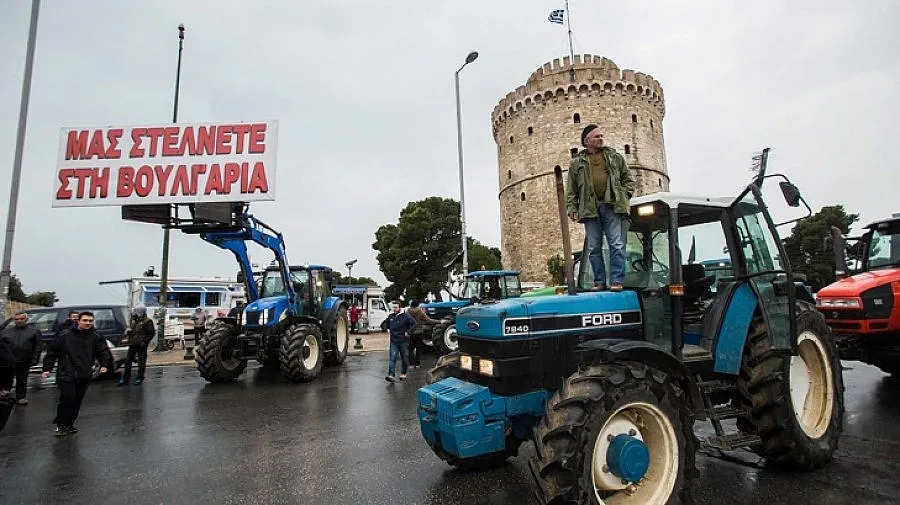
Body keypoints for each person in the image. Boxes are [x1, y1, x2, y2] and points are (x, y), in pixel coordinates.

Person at [566, 124, 635, 292]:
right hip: (590, 209)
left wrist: (623, 196)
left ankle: (616, 281)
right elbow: (571, 189)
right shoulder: (577, 163)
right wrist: (572, 208)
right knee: (593, 248)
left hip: (612, 206)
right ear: (586, 140)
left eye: (601, 136)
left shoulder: (615, 157)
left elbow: (628, 180)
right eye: (596, 136)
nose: (600, 138)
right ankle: (599, 282)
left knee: (616, 244)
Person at [42, 311, 112, 436]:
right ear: (78, 321)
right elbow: (52, 351)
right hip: (66, 372)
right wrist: (47, 368)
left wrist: (104, 365)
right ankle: (61, 424)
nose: (88, 323)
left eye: (90, 321)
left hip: (84, 373)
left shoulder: (96, 337)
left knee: (77, 400)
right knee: (67, 398)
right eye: (85, 320)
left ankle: (70, 424)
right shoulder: (65, 335)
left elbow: (103, 351)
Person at [0, 311, 42, 405]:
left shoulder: (33, 331)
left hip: (24, 360)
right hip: (8, 362)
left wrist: (35, 359)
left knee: (21, 380)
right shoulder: (6, 332)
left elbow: (38, 347)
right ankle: (4, 396)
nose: (19, 321)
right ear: (13, 320)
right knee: (6, 379)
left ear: (26, 319)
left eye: (22, 319)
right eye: (17, 319)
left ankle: (21, 397)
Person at [118, 306, 155, 386]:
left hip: (141, 345)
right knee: (128, 361)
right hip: (132, 343)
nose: (133, 312)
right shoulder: (133, 320)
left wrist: (144, 342)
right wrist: (128, 332)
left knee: (141, 362)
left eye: (135, 310)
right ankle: (125, 379)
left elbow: (151, 333)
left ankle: (139, 378)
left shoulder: (147, 321)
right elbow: (132, 330)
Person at [379, 301, 416, 382]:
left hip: (403, 341)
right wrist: (387, 329)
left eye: (396, 307)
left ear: (400, 307)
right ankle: (391, 375)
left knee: (405, 358)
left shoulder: (406, 316)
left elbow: (414, 324)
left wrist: (408, 332)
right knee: (392, 358)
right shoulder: (391, 316)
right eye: (393, 307)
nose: (394, 309)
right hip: (393, 341)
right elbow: (384, 324)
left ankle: (403, 373)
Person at [406, 299, 439, 369]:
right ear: (418, 305)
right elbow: (429, 320)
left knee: (410, 349)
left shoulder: (407, 312)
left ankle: (411, 364)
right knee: (418, 349)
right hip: (419, 333)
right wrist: (439, 321)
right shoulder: (420, 312)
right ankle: (417, 364)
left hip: (411, 333)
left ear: (411, 305)